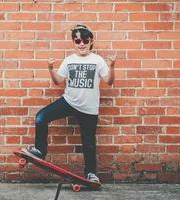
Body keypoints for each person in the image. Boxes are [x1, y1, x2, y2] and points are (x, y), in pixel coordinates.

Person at [22, 24, 116, 183]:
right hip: (69, 101)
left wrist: (112, 66)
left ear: (91, 41)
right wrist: (50, 69)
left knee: (89, 144)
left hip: (88, 108)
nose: (82, 44)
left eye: (85, 40)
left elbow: (109, 81)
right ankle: (39, 150)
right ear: (74, 42)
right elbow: (58, 81)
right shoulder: (69, 60)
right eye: (77, 40)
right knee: (41, 117)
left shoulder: (97, 60)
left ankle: (91, 174)